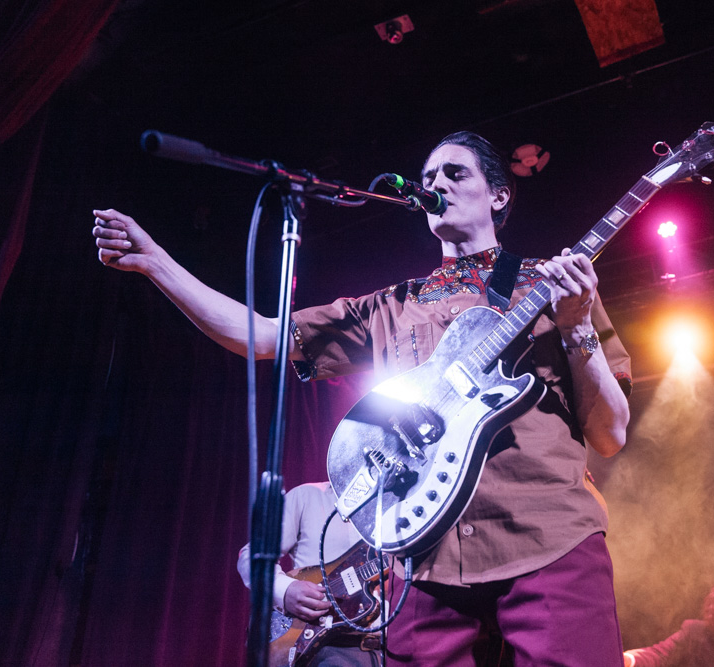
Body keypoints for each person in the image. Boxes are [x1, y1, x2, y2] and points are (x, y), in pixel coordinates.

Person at [92, 131, 633, 666]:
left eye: (455, 173)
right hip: (426, 564)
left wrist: (578, 325)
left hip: (551, 543)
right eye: (428, 178)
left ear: (499, 195)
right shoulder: (389, 307)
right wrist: (156, 263)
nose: (436, 183)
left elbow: (609, 434)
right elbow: (260, 335)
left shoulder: (557, 286)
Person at [236, 482, 380, 666]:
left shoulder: (405, 508)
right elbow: (251, 555)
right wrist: (285, 590)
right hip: (324, 649)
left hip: (397, 650)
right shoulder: (307, 496)